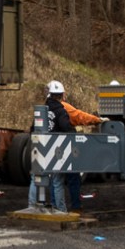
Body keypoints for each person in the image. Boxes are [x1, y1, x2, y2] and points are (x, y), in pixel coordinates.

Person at [45, 80, 103, 212]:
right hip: (64, 147)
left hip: (50, 148)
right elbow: (78, 117)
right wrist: (96, 120)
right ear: (62, 94)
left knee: (54, 180)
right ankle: (72, 206)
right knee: (71, 177)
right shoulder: (62, 108)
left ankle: (56, 206)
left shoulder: (44, 108)